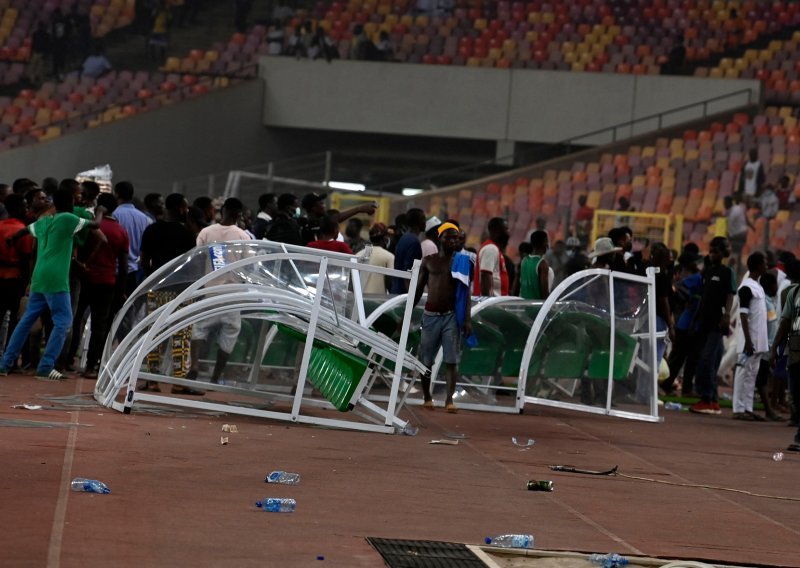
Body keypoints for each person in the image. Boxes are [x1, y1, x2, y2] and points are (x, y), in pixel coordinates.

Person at [0, 187, 100, 381]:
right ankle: (46, 366)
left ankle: (5, 364)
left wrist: (12, 238)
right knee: (63, 322)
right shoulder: (68, 219)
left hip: (39, 276)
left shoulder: (44, 221)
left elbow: (25, 231)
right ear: (70, 204)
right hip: (56, 278)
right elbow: (95, 225)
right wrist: (100, 210)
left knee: (26, 320)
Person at [185, 198, 253, 392]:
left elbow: (197, 260)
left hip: (209, 291)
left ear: (221, 211)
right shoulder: (243, 236)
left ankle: (195, 365)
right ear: (239, 214)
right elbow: (248, 267)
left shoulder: (206, 232)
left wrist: (198, 286)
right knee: (230, 334)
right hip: (231, 295)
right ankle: (215, 377)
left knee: (199, 329)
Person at [66, 192, 129, 377]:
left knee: (75, 320)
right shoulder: (121, 231)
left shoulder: (89, 226)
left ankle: (67, 360)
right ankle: (92, 366)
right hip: (107, 282)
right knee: (99, 326)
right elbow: (123, 267)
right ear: (115, 208)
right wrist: (121, 290)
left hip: (84, 279)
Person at [412, 222, 472, 413]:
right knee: (425, 359)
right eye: (449, 237)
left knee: (451, 359)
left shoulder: (462, 261)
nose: (453, 241)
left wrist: (467, 320)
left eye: (456, 237)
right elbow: (418, 289)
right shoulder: (428, 261)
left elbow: (465, 293)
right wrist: (407, 312)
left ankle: (449, 400)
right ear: (440, 238)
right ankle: (427, 397)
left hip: (451, 316)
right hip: (430, 316)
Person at [689, 237, 735, 415]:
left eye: (716, 251)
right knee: (713, 360)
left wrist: (727, 314)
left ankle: (706, 398)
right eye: (711, 251)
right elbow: (703, 297)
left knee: (707, 359)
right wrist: (696, 319)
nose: (713, 254)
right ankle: (714, 400)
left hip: (717, 322)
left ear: (723, 253)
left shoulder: (726, 272)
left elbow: (730, 294)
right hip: (705, 321)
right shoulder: (707, 272)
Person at [732, 252, 769, 421]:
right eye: (765, 263)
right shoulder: (746, 288)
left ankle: (747, 407)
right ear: (758, 266)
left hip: (758, 338)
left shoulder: (757, 286)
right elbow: (743, 315)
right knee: (742, 372)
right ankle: (738, 408)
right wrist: (747, 339)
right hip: (749, 338)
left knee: (752, 374)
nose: (767, 266)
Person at [663, 250, 703, 395]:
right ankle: (670, 384)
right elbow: (678, 288)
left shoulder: (693, 277)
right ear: (691, 264)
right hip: (688, 323)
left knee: (681, 357)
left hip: (686, 322)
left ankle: (672, 385)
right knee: (682, 358)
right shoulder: (696, 278)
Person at [0, 195, 33, 356]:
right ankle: (10, 357)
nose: (27, 209)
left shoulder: (0, 226)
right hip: (15, 280)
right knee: (16, 320)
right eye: (25, 206)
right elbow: (26, 259)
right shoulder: (22, 230)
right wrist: (27, 282)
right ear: (19, 208)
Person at [756, 272, 784, 421]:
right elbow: (767, 325)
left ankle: (771, 407)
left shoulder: (769, 302)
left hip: (769, 345)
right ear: (772, 286)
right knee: (762, 378)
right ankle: (769, 409)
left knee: (766, 376)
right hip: (765, 346)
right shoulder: (765, 303)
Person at [391, 208, 426, 294]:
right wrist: (411, 298)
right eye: (423, 219)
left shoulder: (404, 238)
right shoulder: (414, 242)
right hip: (404, 293)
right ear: (417, 222)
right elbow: (409, 272)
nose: (425, 223)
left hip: (396, 289)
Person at [474, 217, 510, 297]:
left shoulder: (494, 248)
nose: (509, 233)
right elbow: (485, 276)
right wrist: (487, 302)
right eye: (506, 229)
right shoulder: (490, 249)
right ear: (496, 231)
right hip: (492, 304)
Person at [356, 223, 394, 295]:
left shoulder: (359, 254)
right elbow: (390, 284)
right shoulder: (389, 256)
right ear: (385, 238)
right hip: (378, 301)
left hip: (359, 299)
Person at [515, 230, 552, 300]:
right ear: (544, 243)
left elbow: (518, 284)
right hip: (535, 307)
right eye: (547, 241)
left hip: (523, 304)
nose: (547, 244)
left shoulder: (524, 260)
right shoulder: (542, 264)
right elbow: (544, 292)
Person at [724, 194, 752, 275]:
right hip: (740, 234)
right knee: (737, 254)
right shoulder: (735, 209)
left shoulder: (734, 211)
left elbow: (730, 226)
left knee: (736, 254)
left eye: (725, 203)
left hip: (739, 235)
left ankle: (737, 272)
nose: (724, 205)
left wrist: (729, 236)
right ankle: (738, 270)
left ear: (729, 202)